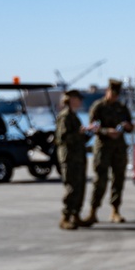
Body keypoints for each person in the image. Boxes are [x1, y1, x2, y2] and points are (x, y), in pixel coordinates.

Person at [84, 79, 135, 224]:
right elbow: (92, 126)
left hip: (119, 148)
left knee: (118, 179)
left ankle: (115, 211)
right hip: (103, 148)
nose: (115, 97)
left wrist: (128, 127)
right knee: (100, 179)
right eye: (113, 93)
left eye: (117, 94)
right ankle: (93, 211)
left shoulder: (121, 107)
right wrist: (107, 131)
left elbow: (130, 125)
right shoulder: (98, 107)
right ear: (107, 91)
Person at [55, 89, 91, 230]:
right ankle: (65, 217)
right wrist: (79, 132)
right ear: (71, 100)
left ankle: (75, 215)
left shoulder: (74, 116)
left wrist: (88, 133)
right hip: (70, 157)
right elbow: (63, 138)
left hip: (78, 156)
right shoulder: (65, 116)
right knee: (71, 187)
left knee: (80, 187)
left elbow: (79, 139)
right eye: (78, 99)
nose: (80, 101)